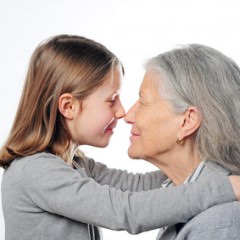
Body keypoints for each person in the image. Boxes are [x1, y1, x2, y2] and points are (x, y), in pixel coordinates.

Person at [0, 35, 238, 240]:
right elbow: (127, 210)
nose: (122, 111)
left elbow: (138, 187)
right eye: (111, 99)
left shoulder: (75, 165)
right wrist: (223, 187)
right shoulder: (34, 172)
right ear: (68, 106)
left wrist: (194, 167)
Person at [125, 44, 240, 239]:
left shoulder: (217, 222)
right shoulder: (180, 192)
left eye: (143, 101)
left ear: (187, 121)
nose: (128, 115)